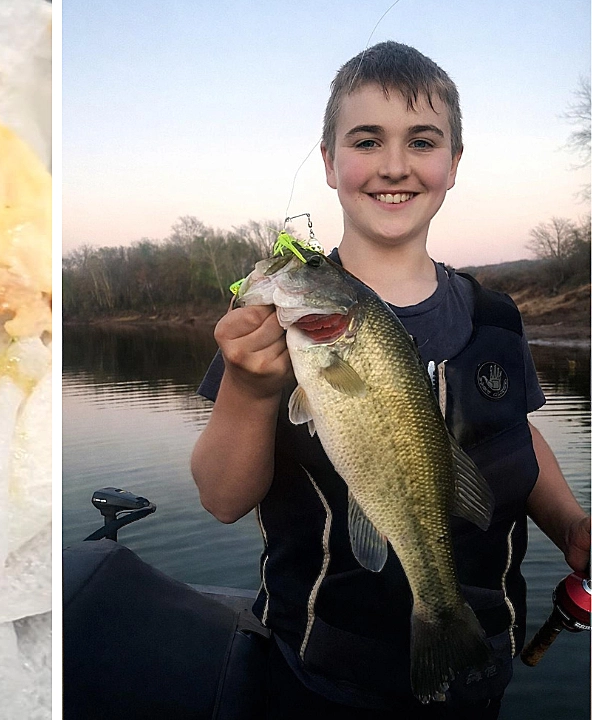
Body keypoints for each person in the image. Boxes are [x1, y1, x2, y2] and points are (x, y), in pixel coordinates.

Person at [190, 41, 591, 719]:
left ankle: (444, 621)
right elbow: (222, 499)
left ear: (453, 164)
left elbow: (515, 439)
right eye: (367, 140)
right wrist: (250, 389)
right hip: (319, 672)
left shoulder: (497, 317)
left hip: (482, 654)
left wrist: (571, 522)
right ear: (328, 161)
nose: (395, 165)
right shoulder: (269, 327)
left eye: (423, 141)